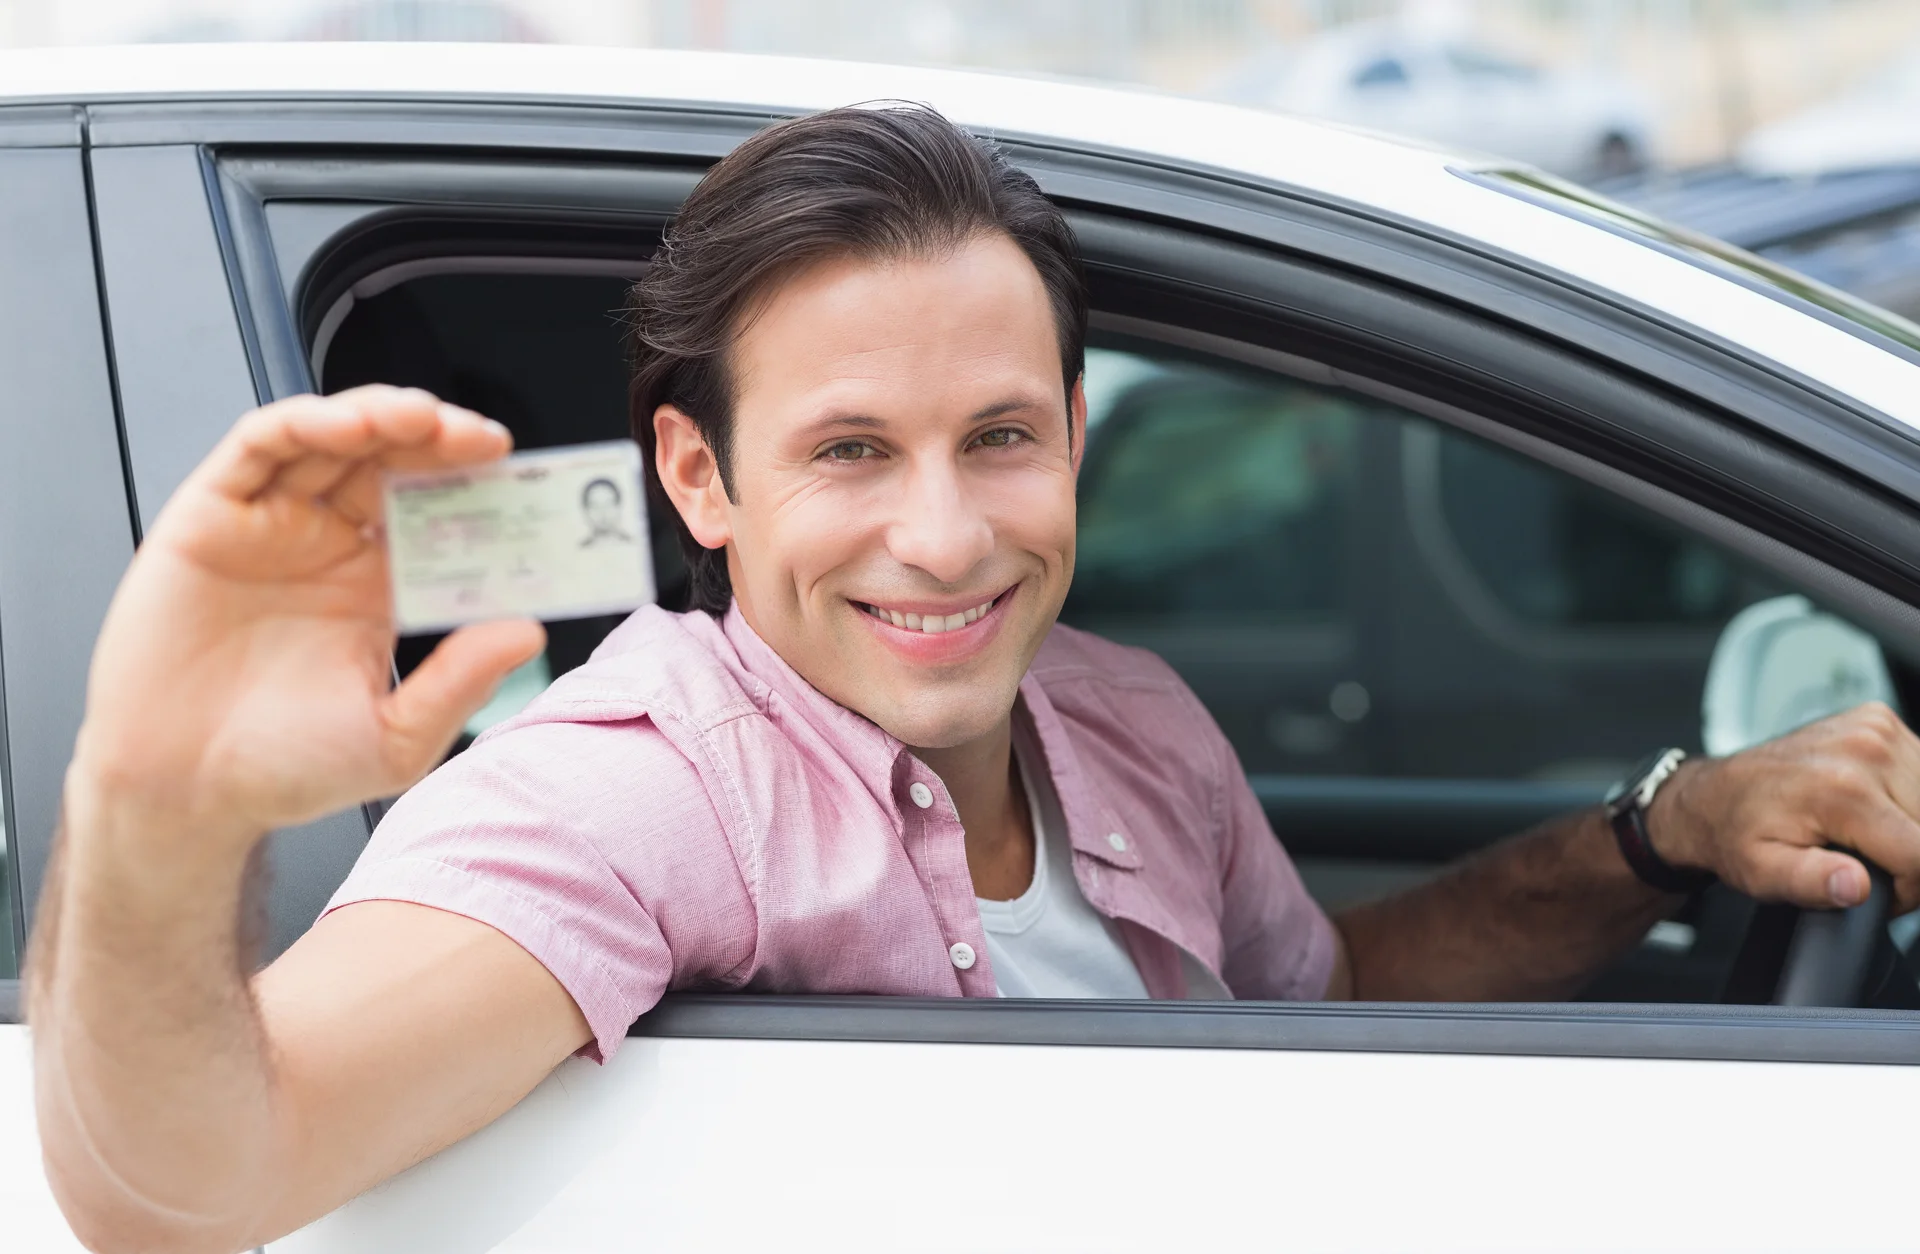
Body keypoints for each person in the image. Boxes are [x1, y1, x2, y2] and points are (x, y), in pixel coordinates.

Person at [28, 104, 1920, 1254]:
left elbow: (1323, 993)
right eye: (849, 451)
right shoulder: (642, 784)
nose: (945, 538)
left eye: (997, 436)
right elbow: (187, 1186)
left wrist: (1667, 829)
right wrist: (145, 808)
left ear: (1078, 434)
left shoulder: (1122, 714)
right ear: (702, 474)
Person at [578, 476, 631, 547]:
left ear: (618, 506)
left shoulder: (631, 544)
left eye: (608, 505)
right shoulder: (581, 549)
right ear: (586, 510)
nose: (603, 513)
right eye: (595, 507)